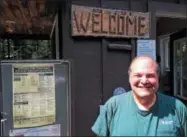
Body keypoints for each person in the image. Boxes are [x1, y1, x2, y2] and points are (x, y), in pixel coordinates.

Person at [91, 56, 187, 136]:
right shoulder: (113, 105)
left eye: (150, 75)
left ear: (158, 78)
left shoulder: (177, 108)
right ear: (130, 78)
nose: (144, 81)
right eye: (138, 75)